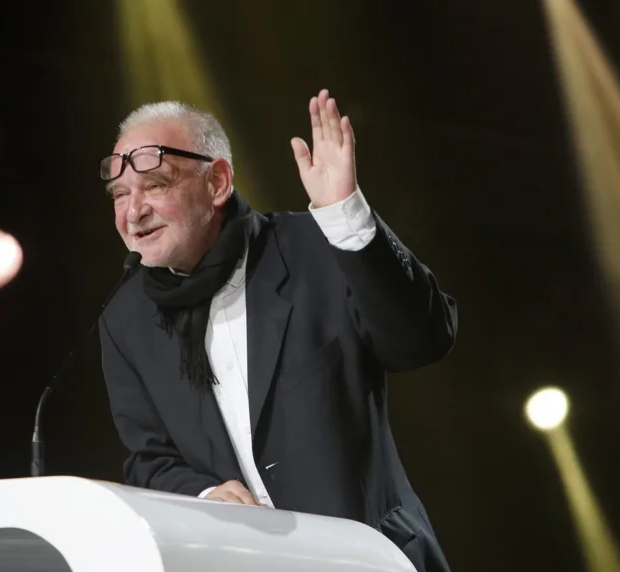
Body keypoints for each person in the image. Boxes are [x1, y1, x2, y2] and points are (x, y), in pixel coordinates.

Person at [97, 89, 458, 572]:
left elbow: (423, 341)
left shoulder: (319, 246)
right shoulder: (125, 319)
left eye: (156, 185)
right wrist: (204, 494)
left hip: (370, 558)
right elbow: (150, 458)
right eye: (120, 194)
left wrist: (346, 215)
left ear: (218, 182)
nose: (132, 211)